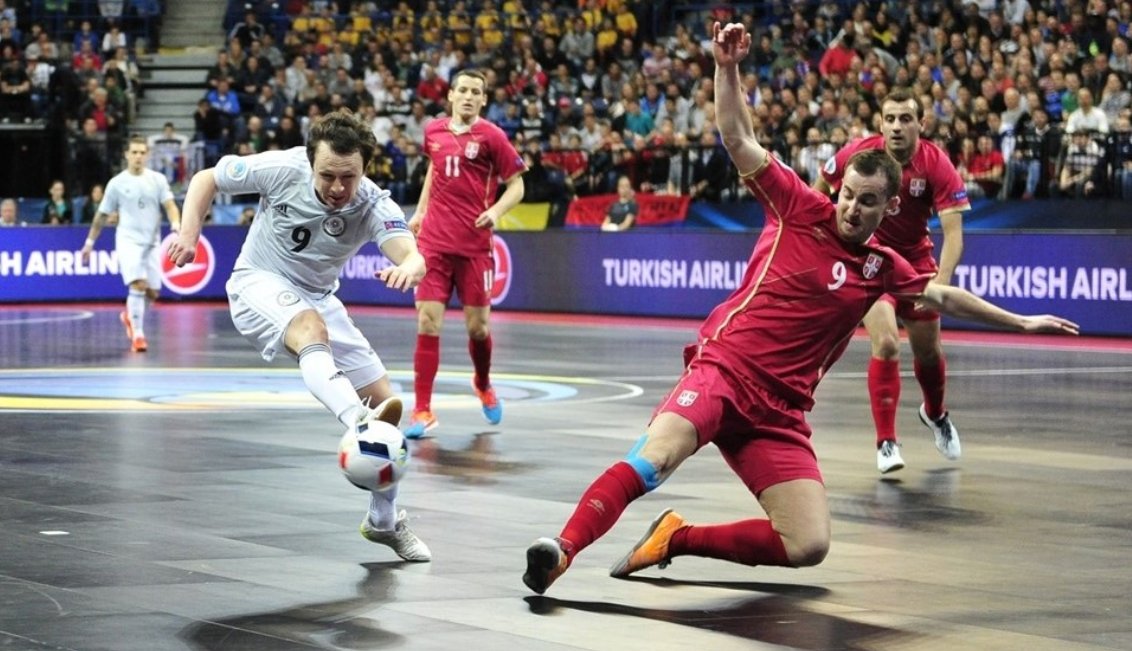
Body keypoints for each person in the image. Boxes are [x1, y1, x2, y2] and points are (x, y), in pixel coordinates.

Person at [521, 21, 1079, 597]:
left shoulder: (881, 266)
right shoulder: (797, 206)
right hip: (725, 371)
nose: (851, 211)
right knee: (656, 459)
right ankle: (562, 549)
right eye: (847, 197)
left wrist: (1021, 320)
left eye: (867, 204)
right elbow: (738, 138)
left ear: (889, 207)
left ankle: (676, 539)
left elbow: (939, 294)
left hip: (781, 410)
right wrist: (726, 66)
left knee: (807, 544)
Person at [167, 110, 432, 562]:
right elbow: (206, 179)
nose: (336, 188)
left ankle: (383, 523)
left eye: (348, 177)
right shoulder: (282, 167)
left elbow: (411, 254)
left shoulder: (371, 203)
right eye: (327, 175)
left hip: (318, 296)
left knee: (389, 402)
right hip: (257, 281)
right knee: (314, 333)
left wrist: (408, 268)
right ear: (311, 163)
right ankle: (355, 422)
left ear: (364, 168)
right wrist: (188, 234)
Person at [814, 87, 971, 474]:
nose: (897, 127)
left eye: (905, 119)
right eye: (890, 119)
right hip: (870, 261)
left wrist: (940, 286)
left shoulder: (937, 164)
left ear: (921, 124)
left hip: (916, 265)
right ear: (880, 124)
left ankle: (935, 414)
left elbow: (953, 234)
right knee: (885, 344)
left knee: (929, 354)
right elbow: (817, 195)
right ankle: (885, 442)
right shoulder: (860, 154)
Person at [403, 69, 527, 438]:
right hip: (434, 245)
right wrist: (421, 212)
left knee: (478, 328)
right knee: (427, 321)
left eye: (476, 91)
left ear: (484, 99)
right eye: (463, 90)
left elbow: (517, 185)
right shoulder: (434, 131)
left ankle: (483, 382)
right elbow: (433, 170)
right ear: (451, 96)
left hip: (474, 247)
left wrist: (496, 211)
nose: (469, 96)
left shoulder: (493, 136)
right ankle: (422, 411)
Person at [80, 137, 182, 353]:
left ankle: (129, 315)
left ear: (148, 155)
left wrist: (176, 225)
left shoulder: (158, 179)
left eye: (142, 152)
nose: (138, 156)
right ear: (126, 155)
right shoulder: (116, 183)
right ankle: (138, 335)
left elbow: (170, 205)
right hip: (128, 241)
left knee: (153, 292)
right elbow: (101, 215)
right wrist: (89, 243)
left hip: (152, 242)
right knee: (138, 285)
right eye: (134, 152)